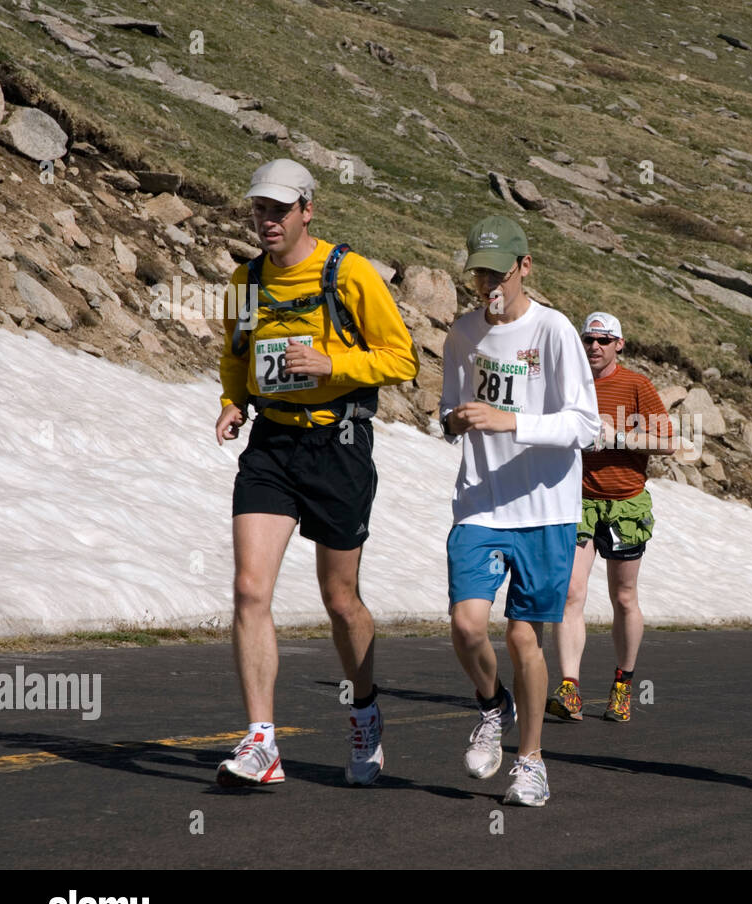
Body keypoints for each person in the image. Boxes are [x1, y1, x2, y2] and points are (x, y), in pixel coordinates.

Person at [214, 158, 419, 786]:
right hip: (271, 445)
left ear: (308, 210)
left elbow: (402, 357)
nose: (267, 220)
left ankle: (364, 712)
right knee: (250, 588)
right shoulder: (243, 281)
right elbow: (235, 354)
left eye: (280, 209)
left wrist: (331, 364)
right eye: (259, 209)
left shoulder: (348, 273)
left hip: (338, 445)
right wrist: (232, 402)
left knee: (339, 600)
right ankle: (261, 743)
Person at [439, 215, 600, 807]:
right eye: (479, 273)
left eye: (498, 272)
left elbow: (586, 424)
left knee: (523, 638)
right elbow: (449, 410)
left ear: (524, 267)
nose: (488, 284)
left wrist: (514, 423)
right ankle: (491, 706)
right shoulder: (463, 333)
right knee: (466, 624)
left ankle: (530, 760)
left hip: (546, 509)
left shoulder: (554, 331)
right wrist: (455, 419)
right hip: (480, 503)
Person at [547, 312, 676, 724]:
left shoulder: (636, 385)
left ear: (620, 344)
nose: (594, 347)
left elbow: (670, 443)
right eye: (588, 339)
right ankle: (570, 688)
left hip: (625, 502)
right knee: (570, 592)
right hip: (579, 499)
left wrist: (619, 437)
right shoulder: (570, 382)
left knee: (623, 597)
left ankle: (623, 684)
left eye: (604, 340)